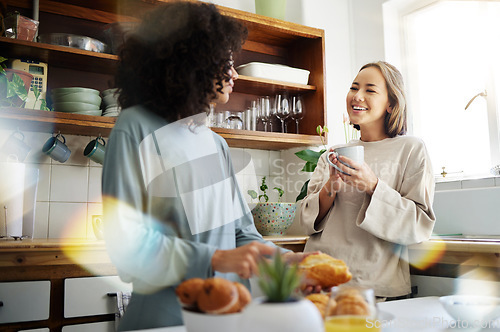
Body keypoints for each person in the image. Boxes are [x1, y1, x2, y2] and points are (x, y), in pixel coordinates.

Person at [101, 2, 313, 330]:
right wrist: (213, 259)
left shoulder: (216, 144)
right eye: (225, 63)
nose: (235, 74)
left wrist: (282, 260)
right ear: (194, 64)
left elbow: (242, 234)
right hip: (166, 319)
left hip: (228, 315)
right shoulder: (135, 127)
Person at [299, 61, 436, 300]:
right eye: (354, 88)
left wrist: (372, 186)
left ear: (392, 104)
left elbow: (419, 225)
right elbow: (306, 220)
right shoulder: (331, 154)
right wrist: (330, 187)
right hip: (320, 282)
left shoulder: (411, 149)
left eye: (370, 90)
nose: (357, 96)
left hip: (374, 287)